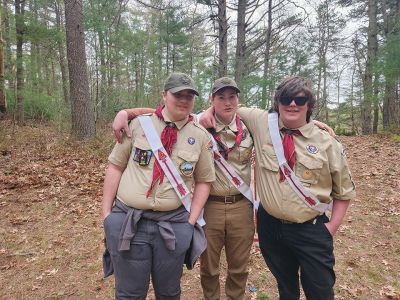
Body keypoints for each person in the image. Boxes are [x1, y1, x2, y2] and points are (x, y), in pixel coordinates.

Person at [200, 76, 356, 300]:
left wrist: (331, 227)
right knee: (286, 287)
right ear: (277, 102)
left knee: (320, 290)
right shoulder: (262, 122)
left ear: (309, 104)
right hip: (271, 228)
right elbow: (228, 106)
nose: (292, 104)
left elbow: (344, 191)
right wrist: (207, 111)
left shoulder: (327, 142)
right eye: (286, 98)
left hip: (310, 229)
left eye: (300, 99)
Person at [113, 77, 255, 300]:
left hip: (241, 204)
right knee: (209, 267)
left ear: (238, 99)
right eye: (221, 97)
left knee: (239, 267)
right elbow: (163, 113)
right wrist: (125, 112)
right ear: (211, 100)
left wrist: (313, 122)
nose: (227, 102)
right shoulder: (198, 122)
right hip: (212, 206)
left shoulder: (250, 126)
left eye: (232, 97)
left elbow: (282, 120)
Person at [102, 72, 216, 299]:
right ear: (164, 95)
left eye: (189, 96)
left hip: (172, 226)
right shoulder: (137, 125)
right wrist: (106, 214)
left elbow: (204, 181)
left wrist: (190, 221)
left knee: (169, 293)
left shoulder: (200, 136)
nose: (184, 100)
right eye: (178, 95)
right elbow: (115, 166)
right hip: (129, 222)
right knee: (129, 294)